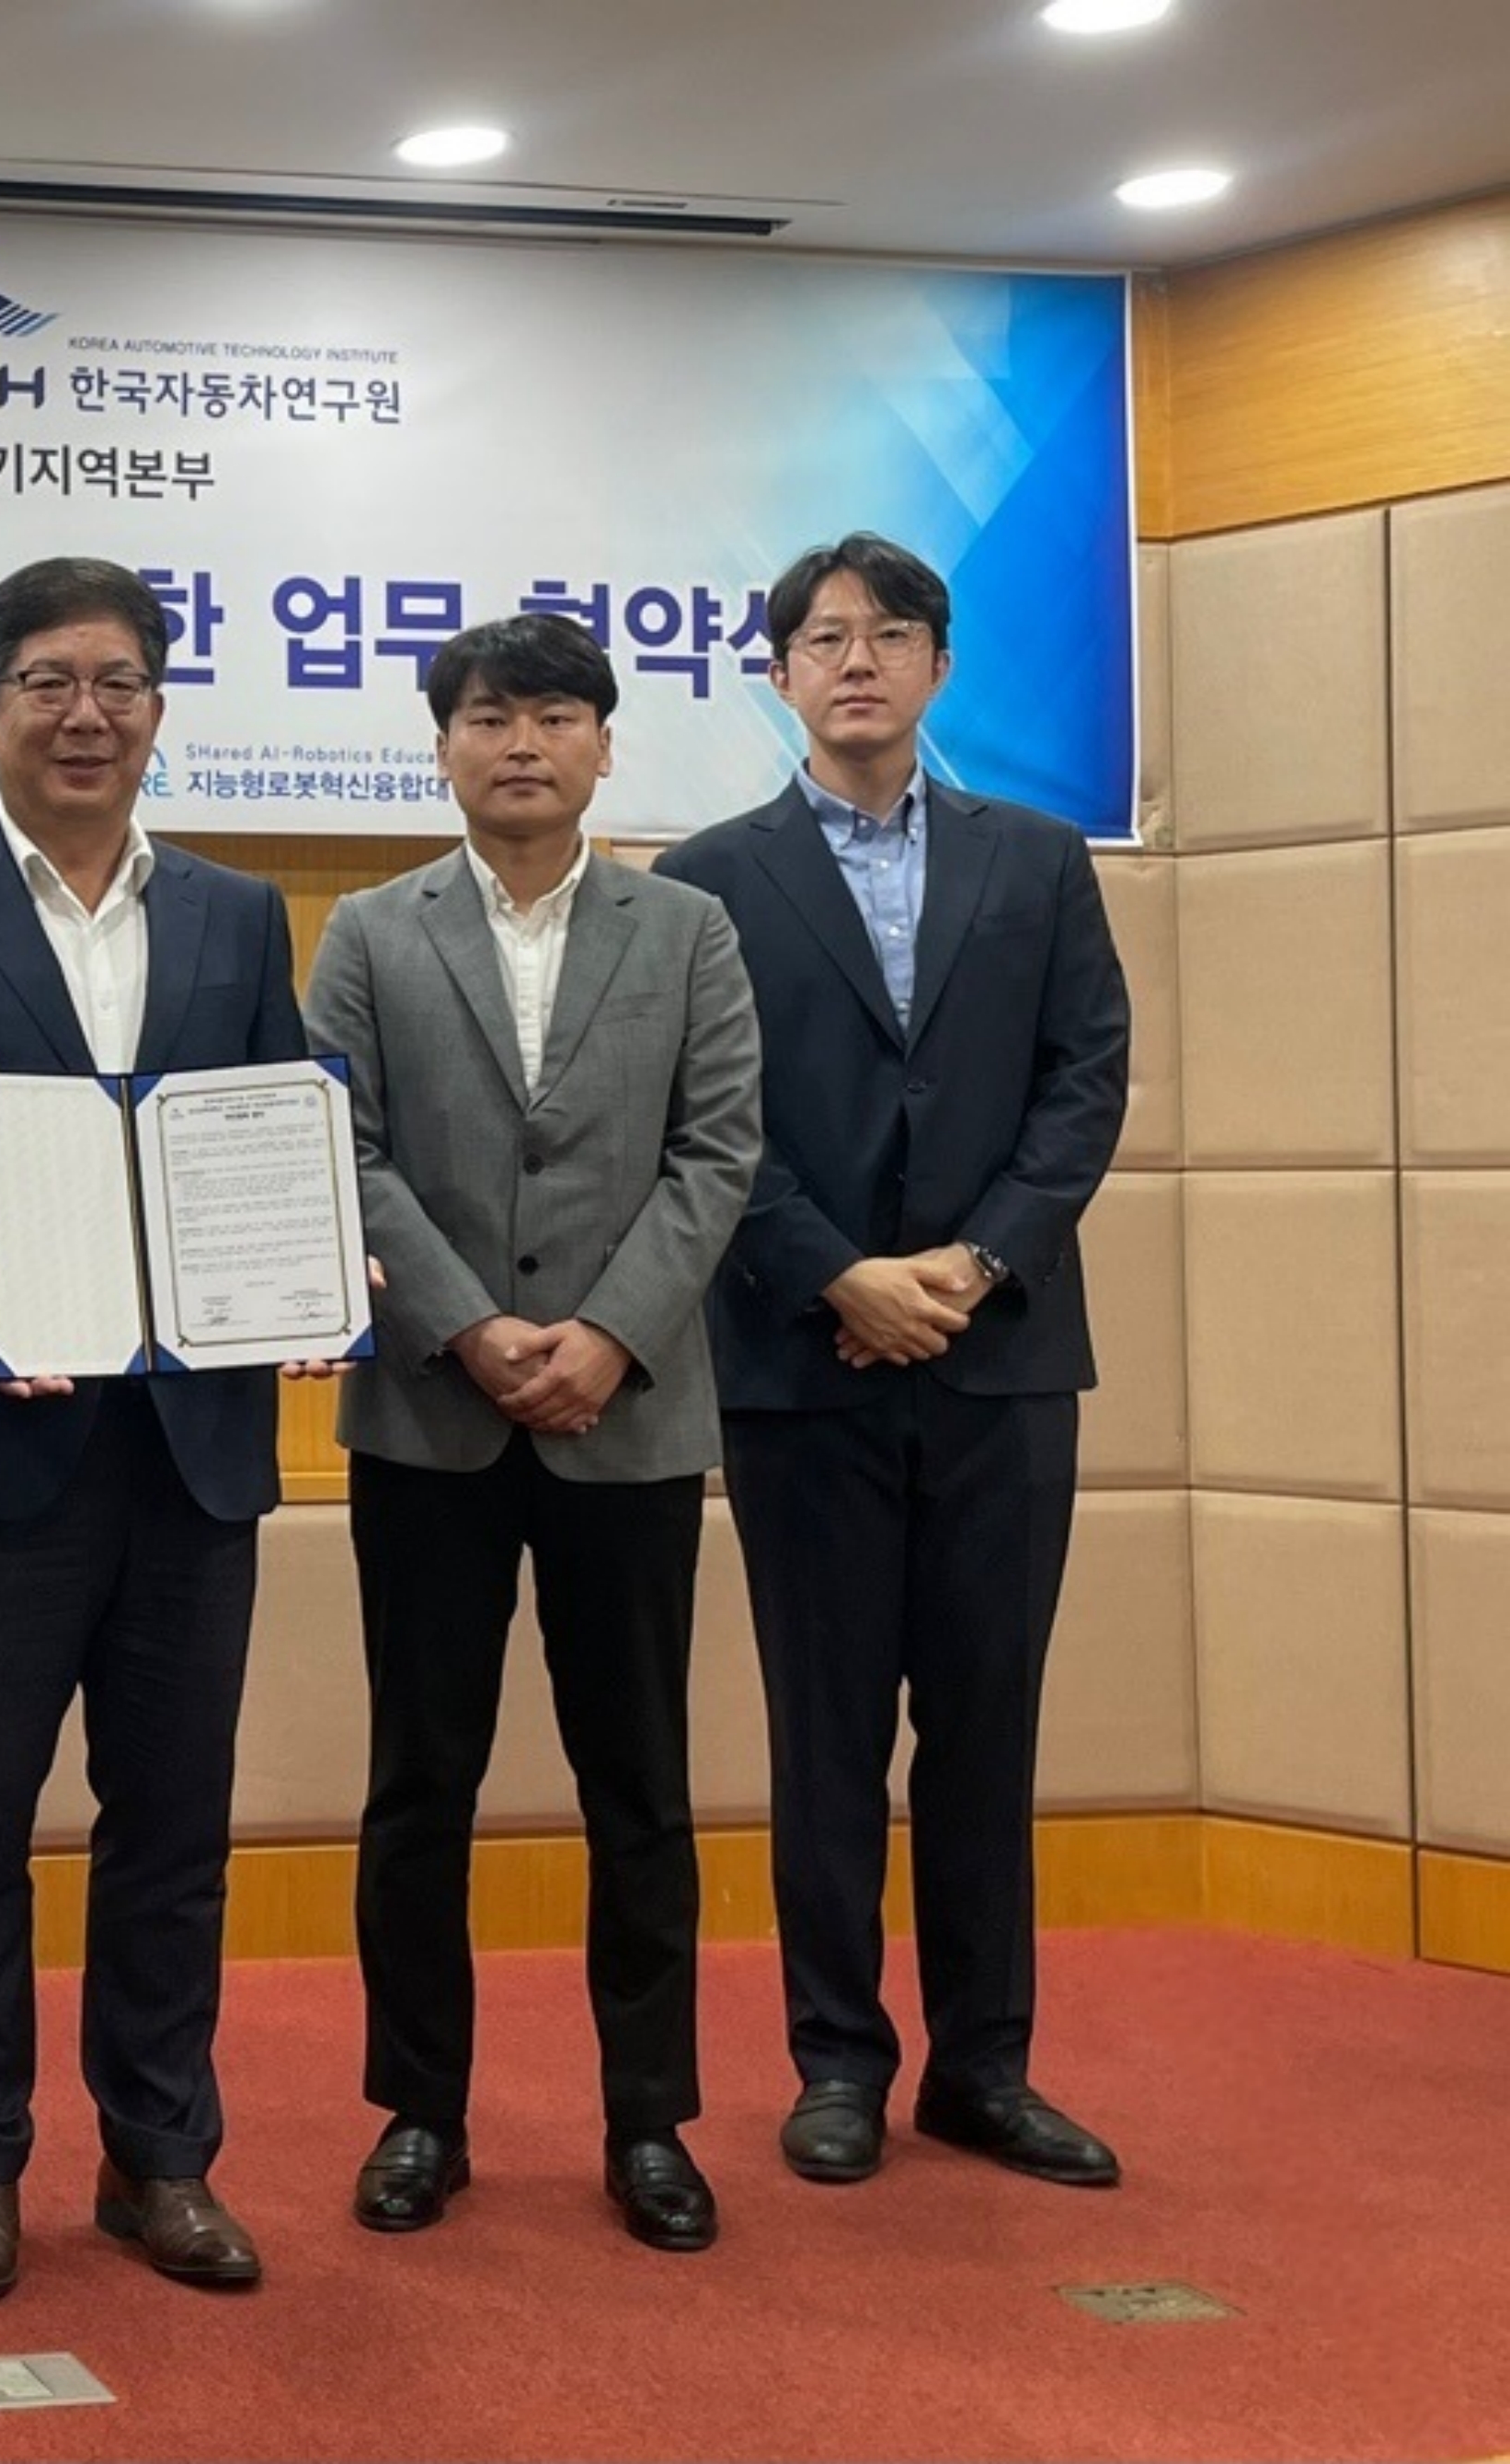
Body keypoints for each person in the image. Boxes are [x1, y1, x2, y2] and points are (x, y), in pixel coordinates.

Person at [0, 555, 306, 2302]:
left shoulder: (238, 914)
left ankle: (161, 2157)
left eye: (115, 682)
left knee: (173, 1824)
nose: (82, 714)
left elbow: (268, 1133)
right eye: (46, 682)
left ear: (157, 709)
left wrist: (301, 1265)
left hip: (192, 1445)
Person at [654, 533, 1132, 2193]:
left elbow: (1084, 1081)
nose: (855, 661)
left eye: (888, 634)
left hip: (1003, 1360)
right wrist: (834, 1275)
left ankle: (983, 2069)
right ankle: (837, 2062)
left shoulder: (1037, 857)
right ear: (776, 673)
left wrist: (977, 1264)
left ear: (937, 665)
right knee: (827, 1731)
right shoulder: (706, 878)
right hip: (805, 1363)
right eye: (822, 637)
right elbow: (705, 1118)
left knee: (988, 1729)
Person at [299, 613, 762, 2253]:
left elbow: (719, 1151)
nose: (521, 745)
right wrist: (469, 1325)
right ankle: (418, 2111)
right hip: (429, 1414)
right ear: (441, 746)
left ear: (603, 747)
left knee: (637, 1782)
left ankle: (650, 2121)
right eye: (488, 717)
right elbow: (340, 1146)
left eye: (555, 717)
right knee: (417, 1781)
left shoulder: (688, 929)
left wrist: (610, 1335)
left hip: (625, 1420)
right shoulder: (369, 930)